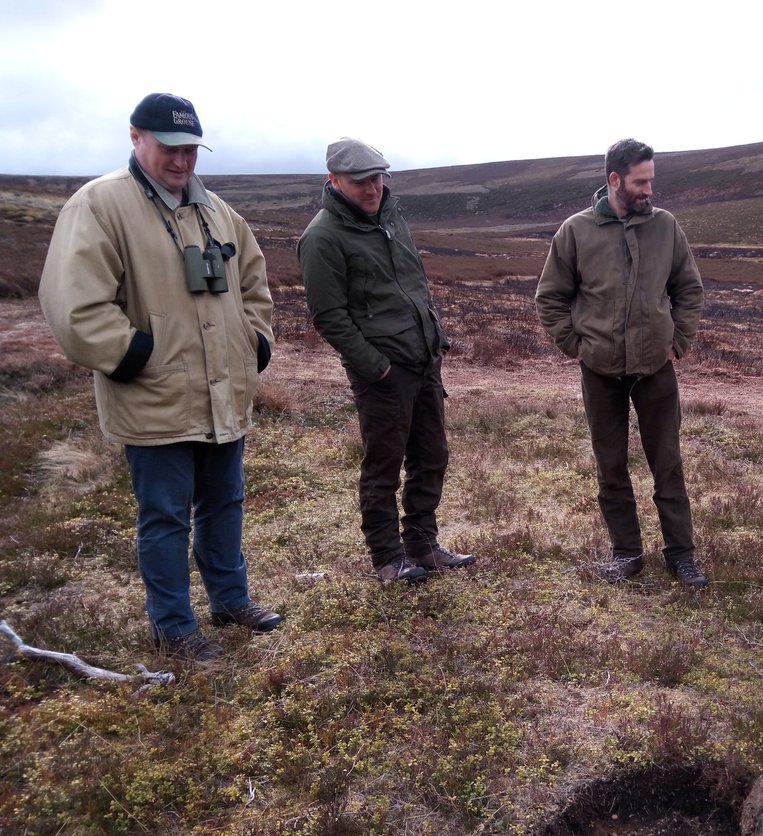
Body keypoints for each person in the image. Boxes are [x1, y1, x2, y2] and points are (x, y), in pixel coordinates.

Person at [38, 92, 281, 662]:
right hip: (154, 396)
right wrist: (132, 357)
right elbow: (74, 305)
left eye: (192, 149)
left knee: (225, 503)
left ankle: (230, 600)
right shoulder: (98, 206)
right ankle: (172, 627)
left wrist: (255, 343)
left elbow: (255, 287)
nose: (182, 161)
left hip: (223, 390)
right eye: (169, 147)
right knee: (166, 516)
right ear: (135, 137)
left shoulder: (219, 213)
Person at [297, 138, 474, 585]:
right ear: (335, 180)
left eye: (378, 178)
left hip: (423, 359)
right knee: (384, 464)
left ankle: (422, 545)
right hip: (383, 373)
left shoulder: (391, 218)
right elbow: (330, 317)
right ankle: (388, 558)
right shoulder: (321, 238)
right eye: (362, 181)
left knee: (431, 455)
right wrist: (376, 367)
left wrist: (435, 335)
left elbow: (414, 284)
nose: (373, 188)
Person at [535, 138, 708, 589]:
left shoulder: (666, 227)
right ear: (614, 180)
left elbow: (689, 289)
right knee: (611, 466)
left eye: (651, 179)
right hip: (600, 371)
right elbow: (550, 297)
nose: (649, 189)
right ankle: (627, 554)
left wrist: (679, 340)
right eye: (640, 181)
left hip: (656, 368)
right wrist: (575, 346)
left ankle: (681, 556)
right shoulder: (575, 231)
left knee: (667, 464)